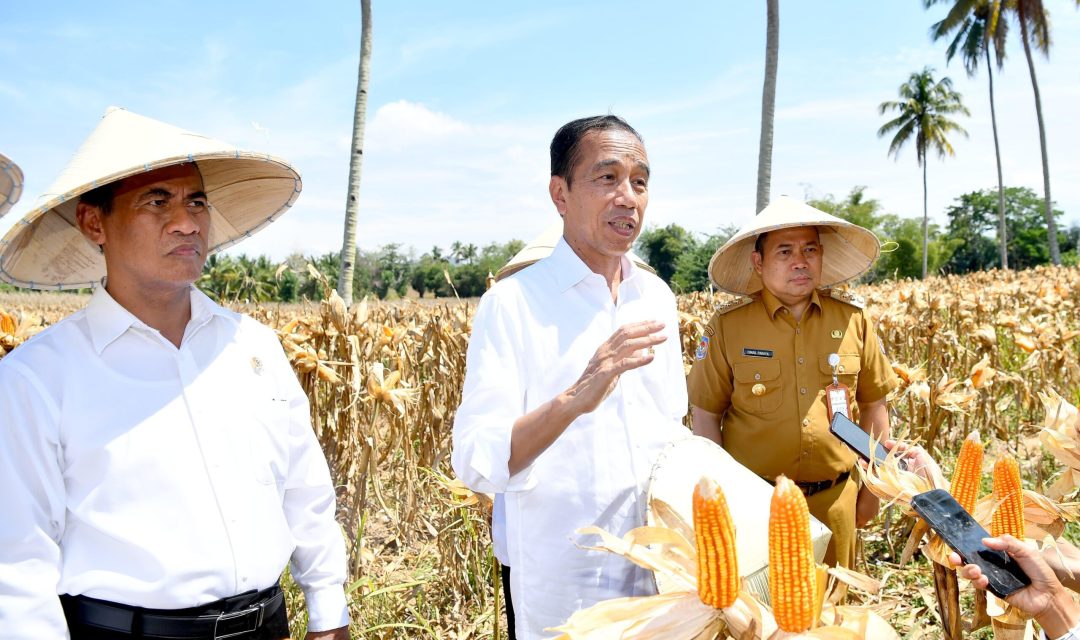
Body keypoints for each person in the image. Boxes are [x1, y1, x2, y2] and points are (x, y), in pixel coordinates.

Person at [0, 107, 348, 639]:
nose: (187, 222)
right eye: (157, 200)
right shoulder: (37, 377)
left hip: (266, 626)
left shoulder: (254, 346)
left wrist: (329, 614)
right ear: (95, 223)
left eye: (197, 202)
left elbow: (305, 490)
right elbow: (19, 564)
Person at [451, 115, 689, 640]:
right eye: (607, 178)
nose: (628, 197)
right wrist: (577, 397)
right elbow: (476, 459)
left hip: (663, 582)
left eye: (640, 181)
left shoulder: (657, 299)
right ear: (560, 194)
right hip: (566, 586)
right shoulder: (513, 304)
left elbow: (673, 432)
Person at [686, 197, 900, 568]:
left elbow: (873, 406)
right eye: (784, 251)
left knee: (833, 618)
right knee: (763, 620)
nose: (800, 261)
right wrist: (721, 498)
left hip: (834, 501)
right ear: (758, 262)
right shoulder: (728, 326)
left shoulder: (853, 320)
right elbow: (705, 415)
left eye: (810, 249)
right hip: (755, 503)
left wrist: (874, 490)